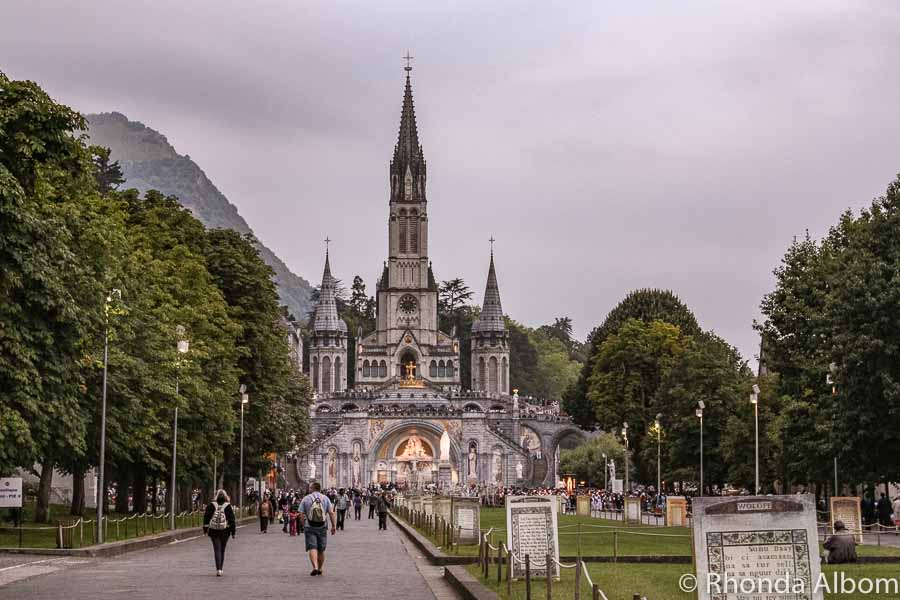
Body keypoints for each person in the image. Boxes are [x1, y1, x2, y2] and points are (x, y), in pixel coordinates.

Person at [299, 482, 336, 576]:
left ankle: (315, 567)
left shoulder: (306, 498)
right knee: (321, 549)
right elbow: (331, 513)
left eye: (310, 487)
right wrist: (333, 526)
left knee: (312, 547)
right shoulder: (325, 498)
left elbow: (301, 514)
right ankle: (320, 568)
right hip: (322, 526)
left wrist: (303, 525)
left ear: (312, 488)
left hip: (309, 526)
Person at [203, 489, 236, 577]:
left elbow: (206, 518)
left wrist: (205, 530)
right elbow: (232, 520)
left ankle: (218, 569)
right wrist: (233, 532)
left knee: (216, 549)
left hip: (213, 531)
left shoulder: (211, 505)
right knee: (222, 550)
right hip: (225, 531)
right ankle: (221, 569)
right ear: (226, 496)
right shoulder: (228, 506)